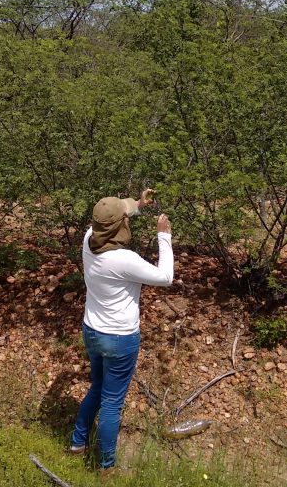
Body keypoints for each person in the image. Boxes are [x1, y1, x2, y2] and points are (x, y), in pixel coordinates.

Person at [68, 188, 173, 475]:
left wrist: (138, 204)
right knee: (112, 403)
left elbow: (111, 217)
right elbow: (165, 277)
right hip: (120, 338)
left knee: (98, 387)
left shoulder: (89, 240)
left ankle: (78, 443)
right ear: (120, 226)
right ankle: (106, 466)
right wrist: (164, 236)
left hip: (92, 330)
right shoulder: (124, 260)